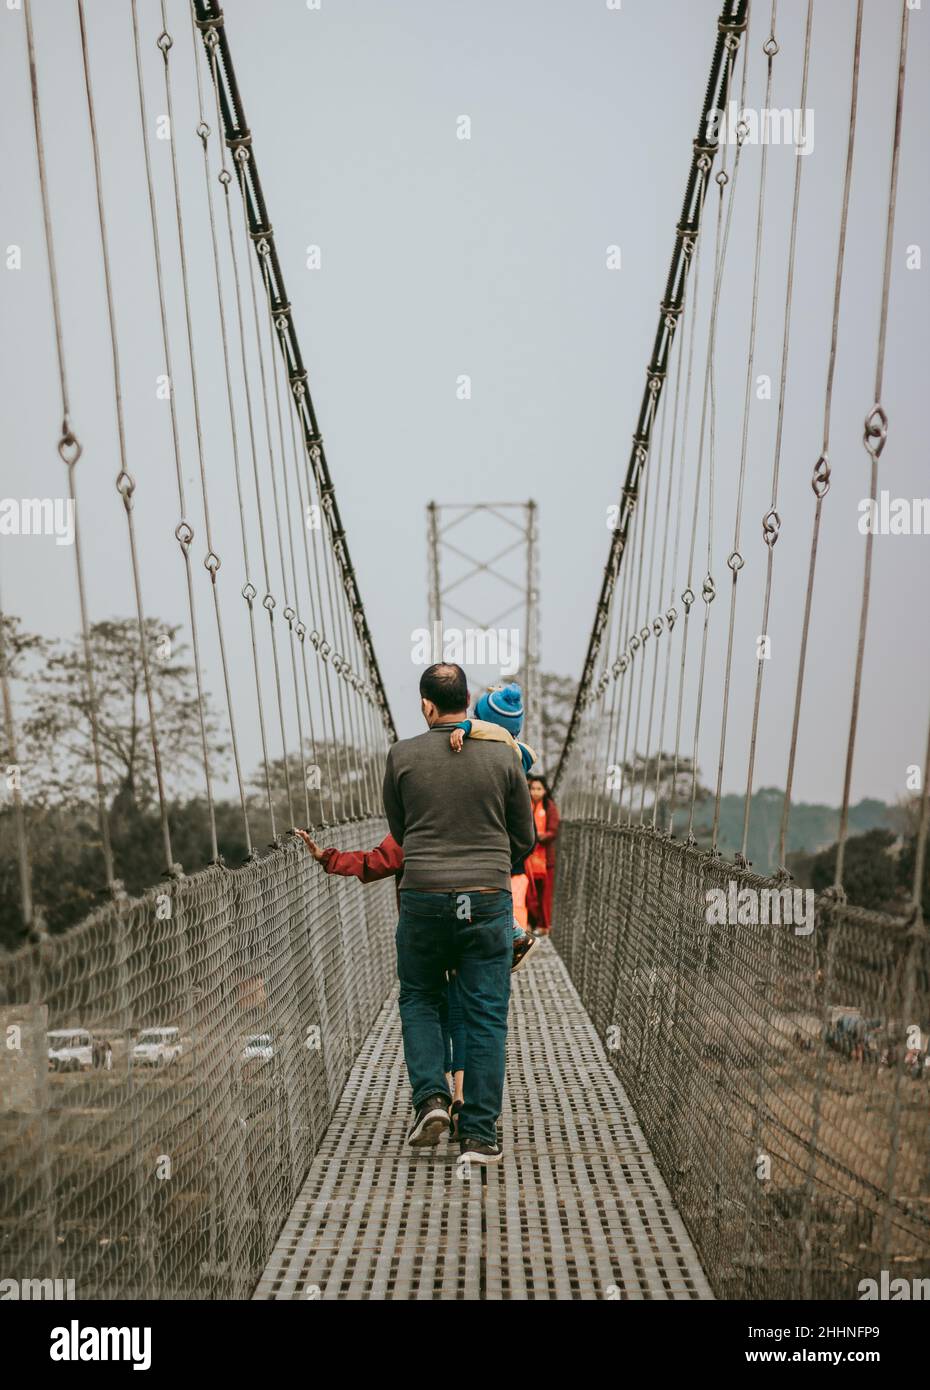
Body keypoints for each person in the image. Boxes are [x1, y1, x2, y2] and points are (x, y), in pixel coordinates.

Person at [383, 662, 535, 1164]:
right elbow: (524, 839)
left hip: (424, 897)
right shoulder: (505, 758)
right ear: (467, 701)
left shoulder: (401, 756)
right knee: (486, 1012)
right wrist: (493, 865)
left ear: (427, 705)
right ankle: (479, 1136)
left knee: (421, 997)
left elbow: (403, 834)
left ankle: (431, 1098)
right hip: (487, 900)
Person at [525, 775, 560, 936]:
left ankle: (543, 925)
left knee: (545, 894)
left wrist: (536, 837)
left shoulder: (550, 807)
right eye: (533, 789)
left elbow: (553, 831)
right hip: (527, 857)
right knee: (529, 893)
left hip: (545, 859)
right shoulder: (525, 805)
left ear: (545, 791)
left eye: (539, 789)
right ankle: (529, 923)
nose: (535, 792)